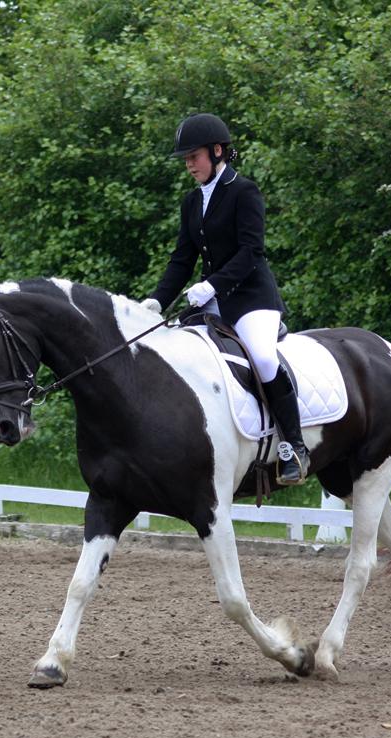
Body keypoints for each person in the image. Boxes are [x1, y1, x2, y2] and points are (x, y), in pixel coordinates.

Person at [142, 113, 310, 485]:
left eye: (194, 157)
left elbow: (252, 251)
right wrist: (156, 300)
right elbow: (182, 259)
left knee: (264, 359)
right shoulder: (191, 201)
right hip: (212, 301)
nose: (188, 165)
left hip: (252, 299)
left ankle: (294, 447)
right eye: (185, 159)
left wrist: (212, 285)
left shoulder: (244, 191)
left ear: (218, 152)